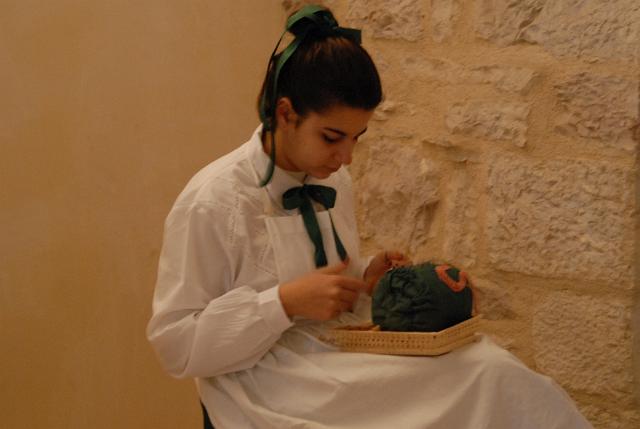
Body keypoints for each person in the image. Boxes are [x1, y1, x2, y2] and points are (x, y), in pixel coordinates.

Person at [147, 5, 592, 428]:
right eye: (332, 137)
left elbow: (321, 285)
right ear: (285, 113)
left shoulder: (333, 180)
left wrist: (364, 279)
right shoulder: (214, 201)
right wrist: (282, 304)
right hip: (268, 383)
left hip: (333, 356)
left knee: (488, 368)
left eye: (356, 138)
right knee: (477, 382)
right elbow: (176, 344)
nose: (346, 158)